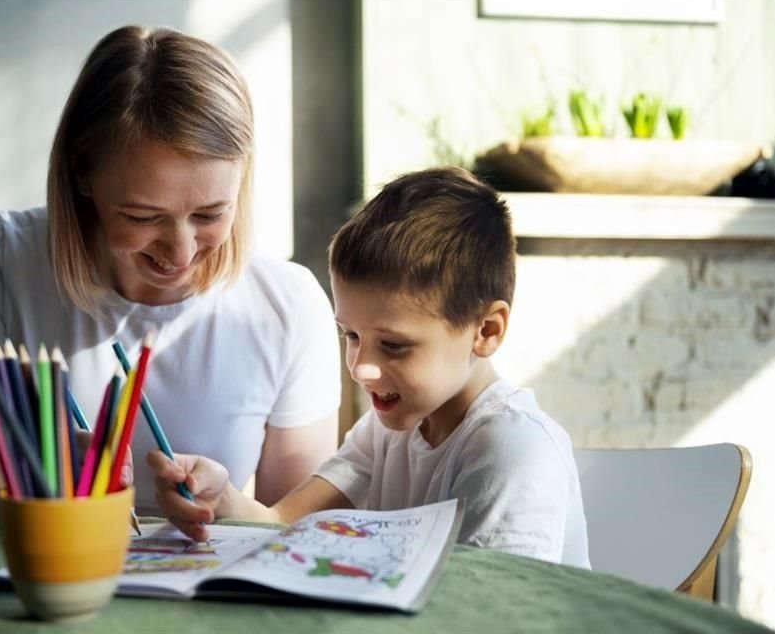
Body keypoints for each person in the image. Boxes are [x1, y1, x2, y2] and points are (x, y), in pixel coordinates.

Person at [0, 26, 340, 518]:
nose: (180, 251)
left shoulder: (288, 303)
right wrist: (46, 495)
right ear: (81, 172)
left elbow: (295, 528)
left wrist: (228, 506)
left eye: (209, 214)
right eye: (143, 217)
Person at [149, 167, 590, 567]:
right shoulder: (386, 432)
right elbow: (282, 522)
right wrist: (220, 495)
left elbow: (489, 616)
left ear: (487, 330)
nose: (361, 369)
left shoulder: (511, 450)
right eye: (352, 336)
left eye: (393, 346)